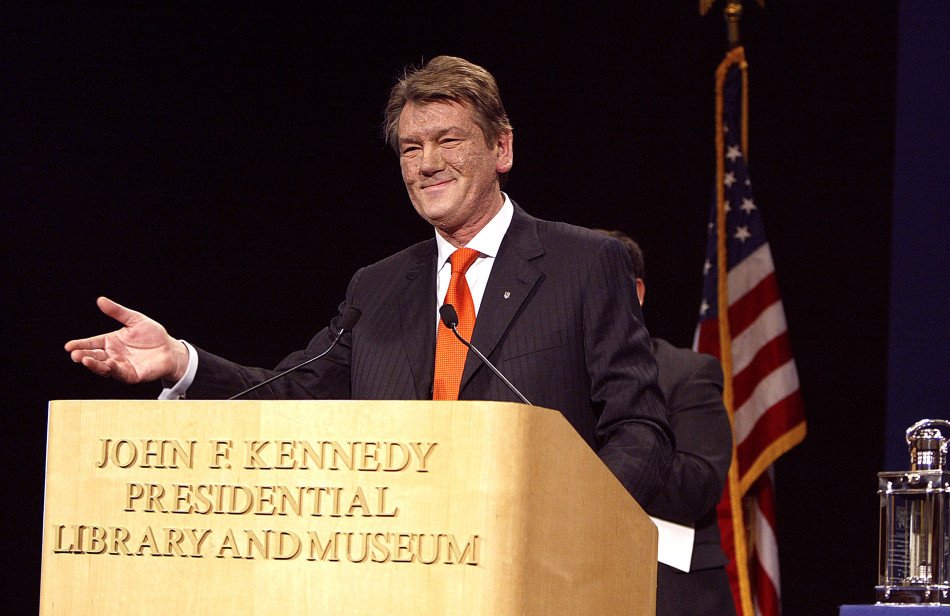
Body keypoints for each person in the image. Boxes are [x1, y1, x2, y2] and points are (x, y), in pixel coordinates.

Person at [65, 56, 673, 509]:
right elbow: (291, 394)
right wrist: (180, 362)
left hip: (541, 576)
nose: (427, 162)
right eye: (411, 147)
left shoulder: (586, 265)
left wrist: (573, 520)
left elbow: (640, 429)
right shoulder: (377, 288)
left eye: (448, 140)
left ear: (502, 149)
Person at [598, 230, 741, 616]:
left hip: (673, 596)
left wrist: (595, 465)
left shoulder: (688, 373)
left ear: (636, 293)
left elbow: (699, 483)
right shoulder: (552, 379)